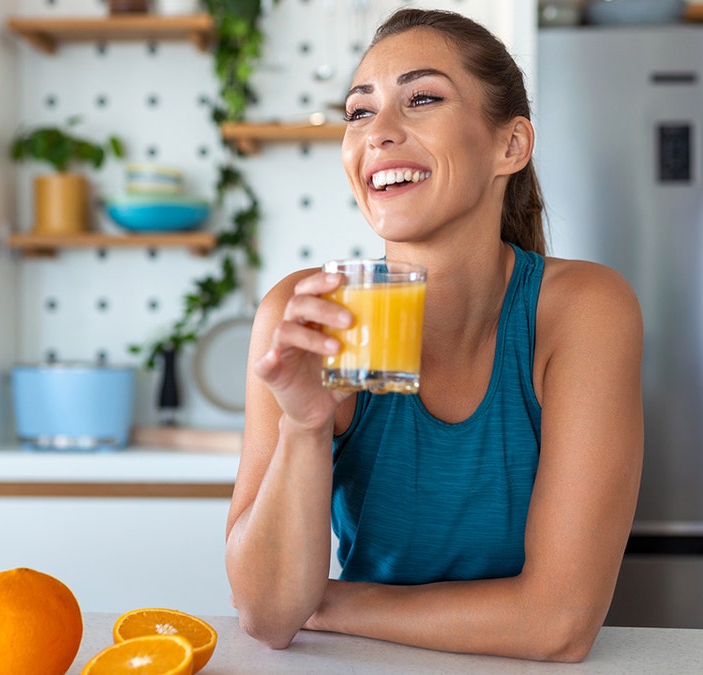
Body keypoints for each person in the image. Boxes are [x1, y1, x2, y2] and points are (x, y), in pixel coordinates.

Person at [225, 7, 643, 663]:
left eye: (421, 99)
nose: (379, 133)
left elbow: (558, 623)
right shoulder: (304, 317)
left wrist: (325, 601)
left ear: (509, 145)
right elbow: (269, 613)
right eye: (359, 111)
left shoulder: (584, 309)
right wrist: (304, 423)